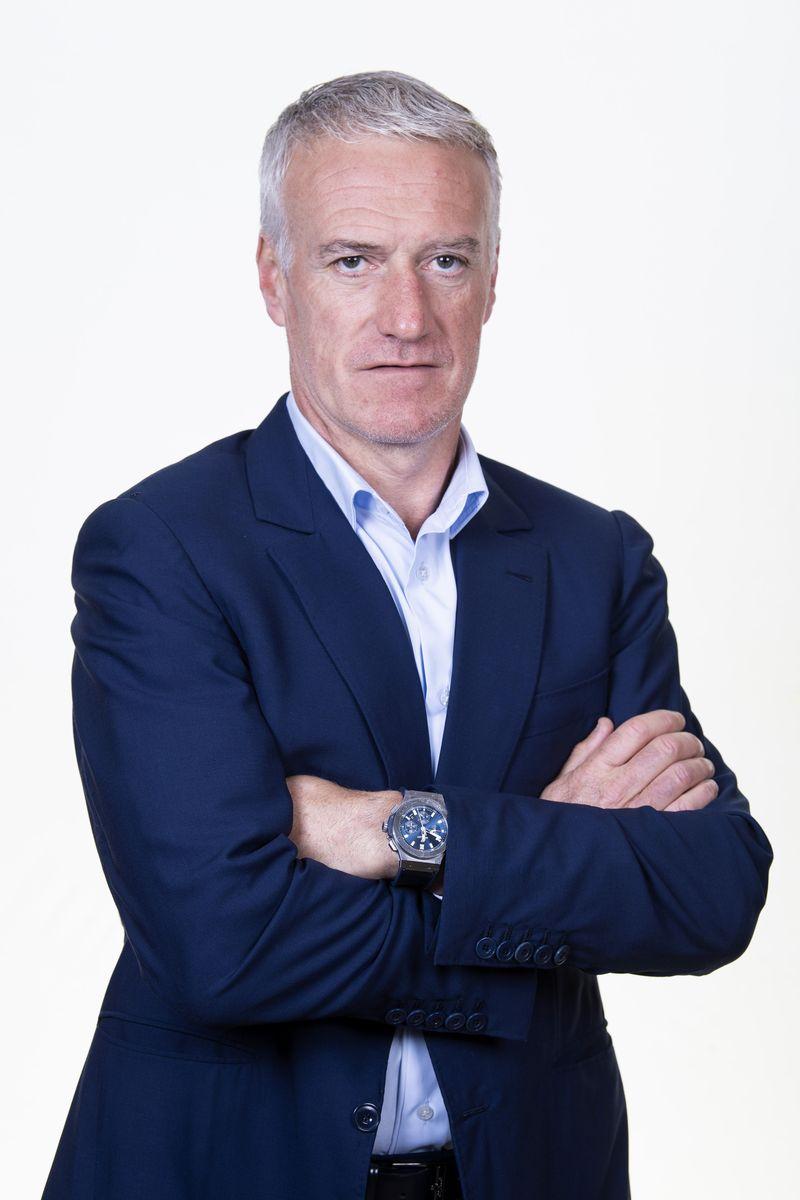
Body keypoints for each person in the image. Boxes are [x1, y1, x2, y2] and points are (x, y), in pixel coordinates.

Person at [42, 70, 773, 1200]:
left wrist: (395, 830)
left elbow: (710, 891)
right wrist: (547, 863)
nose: (406, 318)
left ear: (493, 279)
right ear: (273, 277)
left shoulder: (593, 559)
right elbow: (223, 943)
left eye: (445, 260)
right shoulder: (161, 550)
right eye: (353, 260)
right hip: (223, 1171)